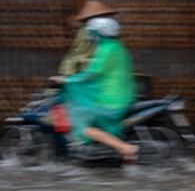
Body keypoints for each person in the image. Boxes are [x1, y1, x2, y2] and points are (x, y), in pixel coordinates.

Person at [50, 17, 138, 163]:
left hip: (111, 100)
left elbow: (91, 73)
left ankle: (125, 147)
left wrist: (66, 80)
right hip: (122, 96)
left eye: (93, 33)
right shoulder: (118, 47)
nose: (91, 36)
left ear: (101, 32)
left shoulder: (106, 49)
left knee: (83, 127)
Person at [58, 0, 119, 76]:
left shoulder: (100, 31)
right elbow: (79, 52)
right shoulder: (88, 32)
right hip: (85, 69)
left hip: (91, 68)